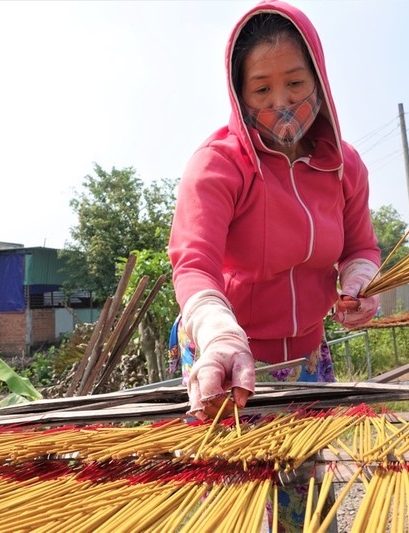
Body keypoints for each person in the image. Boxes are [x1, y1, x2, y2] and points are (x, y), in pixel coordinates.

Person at [168, 0, 381, 422]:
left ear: (318, 80)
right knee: (231, 482)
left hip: (307, 360)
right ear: (240, 94)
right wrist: (218, 333)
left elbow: (361, 247)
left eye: (296, 84)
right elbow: (194, 264)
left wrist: (361, 279)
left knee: (305, 482)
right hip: (227, 358)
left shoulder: (344, 166)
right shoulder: (219, 164)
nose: (282, 103)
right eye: (262, 89)